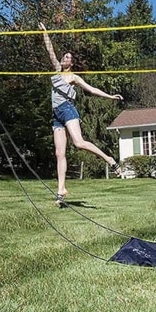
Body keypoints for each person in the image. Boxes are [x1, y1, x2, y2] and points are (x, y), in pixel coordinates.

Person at [39, 23, 123, 206]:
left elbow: (92, 89)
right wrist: (45, 32)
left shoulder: (74, 77)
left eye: (68, 57)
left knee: (79, 143)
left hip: (68, 110)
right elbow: (50, 49)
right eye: (64, 56)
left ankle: (109, 159)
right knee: (59, 153)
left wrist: (110, 96)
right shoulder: (56, 70)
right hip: (56, 114)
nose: (64, 58)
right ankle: (61, 190)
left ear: (72, 63)